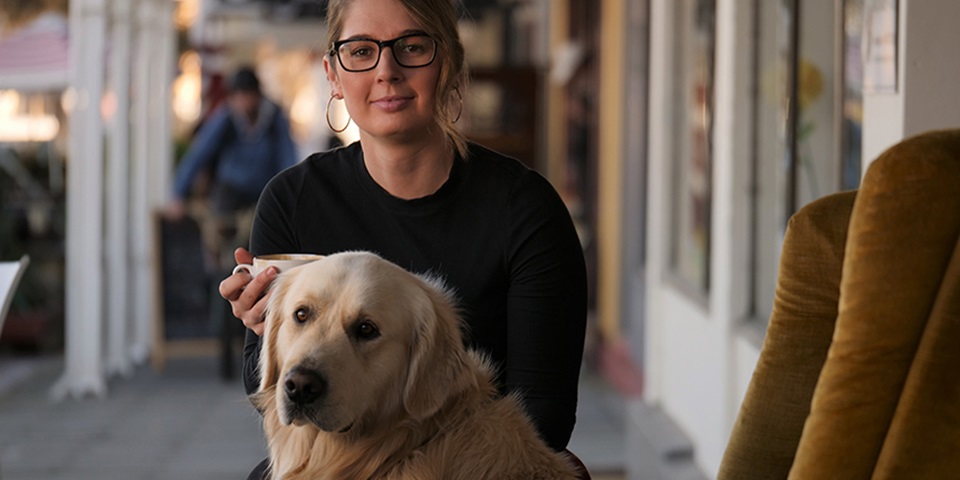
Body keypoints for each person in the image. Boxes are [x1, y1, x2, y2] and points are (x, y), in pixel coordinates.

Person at [217, 0, 588, 477]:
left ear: (450, 64)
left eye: (412, 47)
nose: (386, 70)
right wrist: (267, 327)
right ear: (333, 73)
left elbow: (545, 418)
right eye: (361, 50)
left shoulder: (527, 211)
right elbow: (270, 383)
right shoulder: (292, 200)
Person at [167, 66, 298, 271]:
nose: (243, 102)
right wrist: (178, 194)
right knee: (218, 243)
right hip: (229, 192)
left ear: (257, 95)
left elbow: (287, 157)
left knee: (262, 243)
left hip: (263, 192)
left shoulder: (274, 118)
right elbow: (199, 153)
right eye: (238, 97)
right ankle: (218, 274)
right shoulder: (225, 118)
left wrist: (291, 196)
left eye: (248, 95)